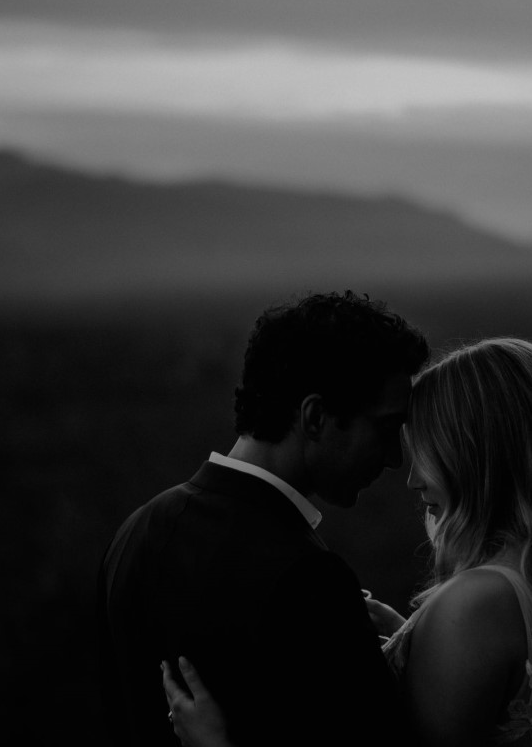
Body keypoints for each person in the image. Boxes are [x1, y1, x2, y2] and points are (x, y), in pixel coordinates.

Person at [162, 337, 532, 747]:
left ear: (478, 455)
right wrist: (414, 643)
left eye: (427, 455)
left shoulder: (477, 603)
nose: (412, 479)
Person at [98, 290, 429, 747]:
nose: (394, 458)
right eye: (386, 428)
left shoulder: (134, 534)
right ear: (315, 417)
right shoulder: (308, 578)